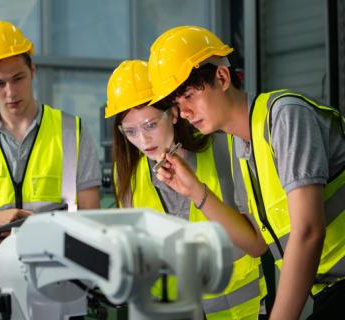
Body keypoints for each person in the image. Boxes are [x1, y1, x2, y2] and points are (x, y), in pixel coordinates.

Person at [147, 25, 345, 320]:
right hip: (329, 291)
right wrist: (193, 189)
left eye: (188, 96)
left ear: (222, 78)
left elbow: (308, 231)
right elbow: (255, 243)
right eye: (177, 104)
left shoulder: (285, 116)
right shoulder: (243, 145)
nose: (184, 112)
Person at [0, 20, 101, 308]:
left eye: (18, 78)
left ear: (33, 70)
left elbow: (90, 217)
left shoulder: (71, 132)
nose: (11, 93)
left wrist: (32, 235)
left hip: (56, 289)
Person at [105, 59, 267, 319]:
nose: (143, 141)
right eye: (131, 132)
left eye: (150, 125)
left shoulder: (223, 148)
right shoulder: (127, 174)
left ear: (174, 112)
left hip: (237, 310)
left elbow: (257, 242)